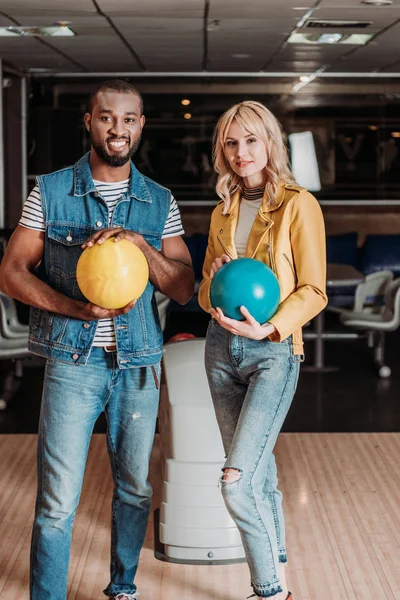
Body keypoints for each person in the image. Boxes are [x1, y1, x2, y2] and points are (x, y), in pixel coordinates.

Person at [0, 79, 194, 600]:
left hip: (139, 365)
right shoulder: (52, 190)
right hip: (73, 362)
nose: (118, 128)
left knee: (134, 489)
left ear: (141, 127)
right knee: (58, 500)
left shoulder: (159, 201)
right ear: (88, 122)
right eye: (107, 117)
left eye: (129, 119)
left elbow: (182, 286)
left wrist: (139, 244)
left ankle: (122, 587)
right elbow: (12, 272)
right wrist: (76, 309)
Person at [198, 101, 327, 599]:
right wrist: (211, 282)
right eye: (231, 143)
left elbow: (314, 290)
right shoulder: (220, 211)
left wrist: (269, 327)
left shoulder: (299, 204)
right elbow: (206, 296)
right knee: (260, 472)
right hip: (220, 351)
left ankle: (270, 590)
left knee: (236, 479)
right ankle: (280, 567)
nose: (240, 153)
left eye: (250, 140)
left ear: (270, 142)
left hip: (273, 353)